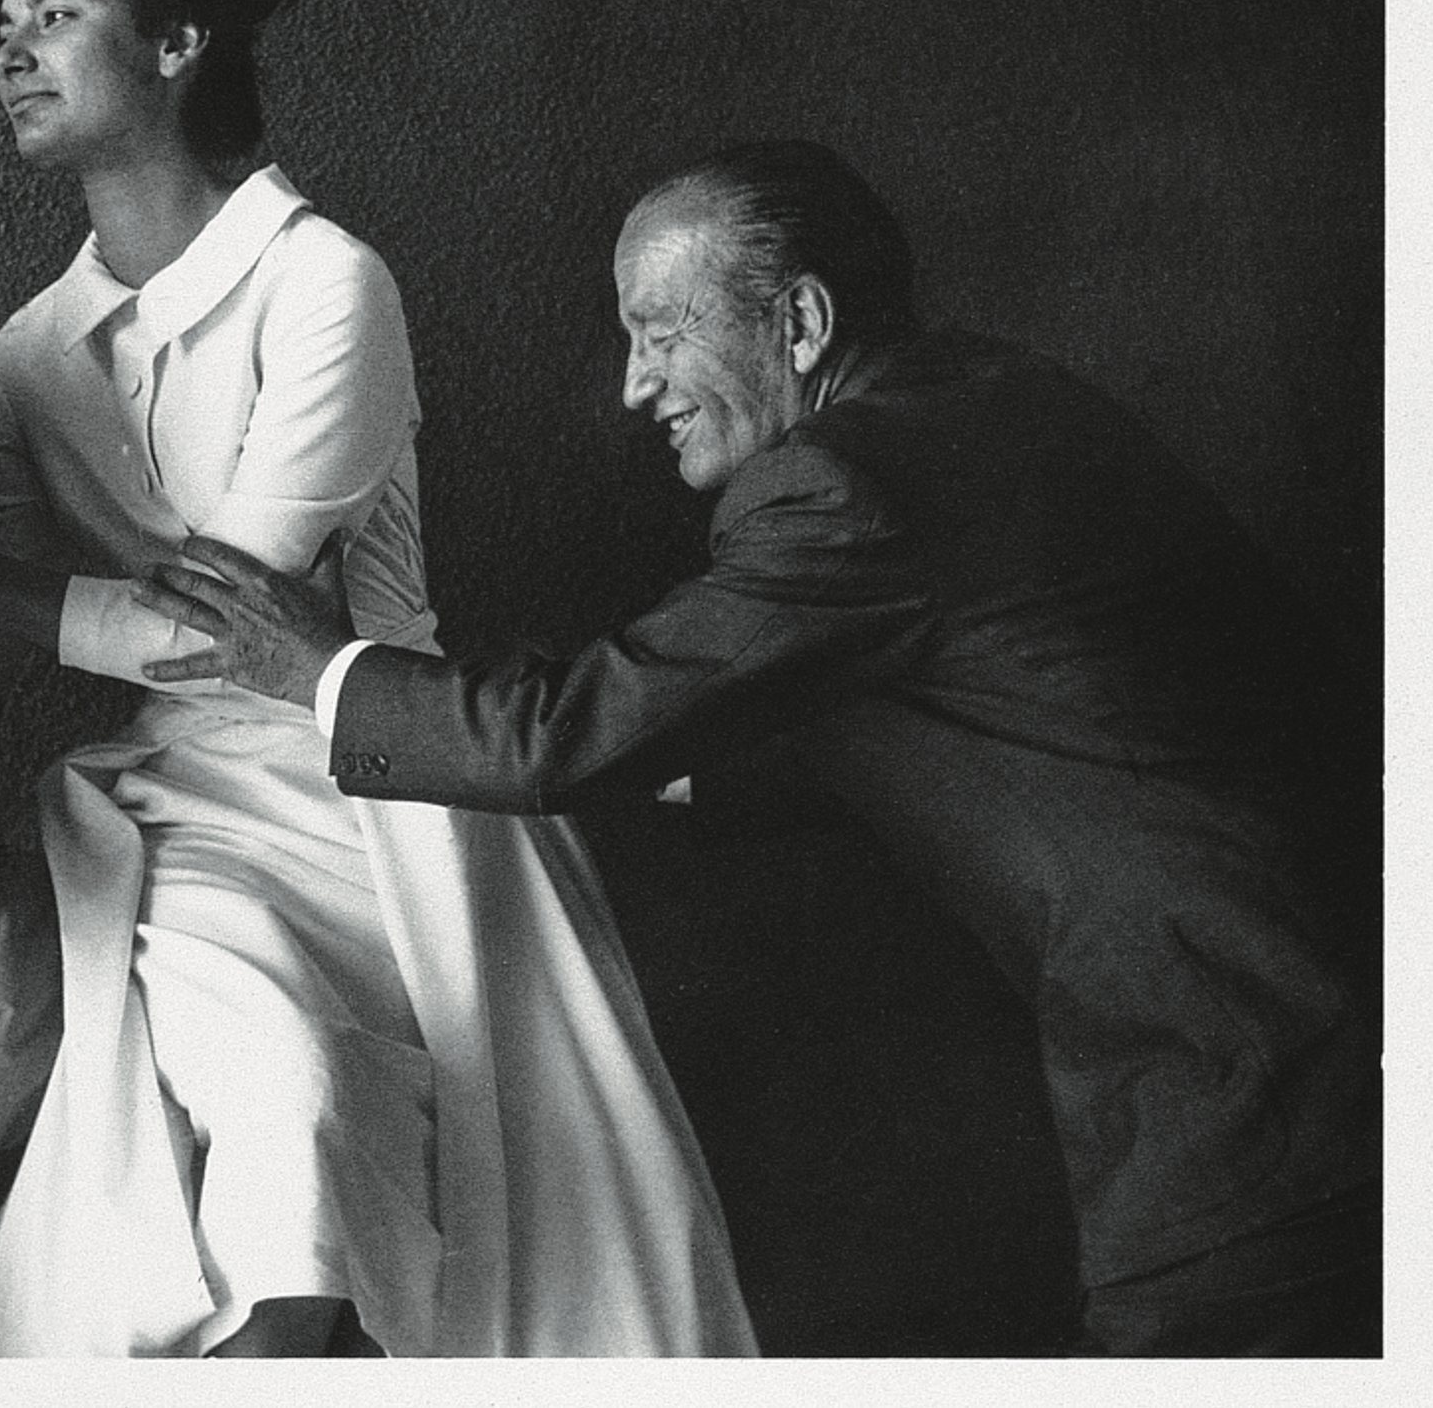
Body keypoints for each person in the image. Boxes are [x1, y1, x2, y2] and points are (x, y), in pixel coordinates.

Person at [138, 138, 1381, 1357]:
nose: (634, 387)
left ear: (798, 322)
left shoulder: (844, 486)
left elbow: (557, 736)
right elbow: (928, 714)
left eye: (658, 332)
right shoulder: (988, 405)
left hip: (1252, 1096)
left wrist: (315, 668)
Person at [0, 0, 756, 1358]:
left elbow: (224, 626)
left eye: (55, 16)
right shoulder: (29, 353)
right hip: (177, 821)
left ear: (174, 41)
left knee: (381, 1162)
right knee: (273, 1105)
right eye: (2, 31)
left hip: (389, 792)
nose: (10, 57)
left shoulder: (325, 279)